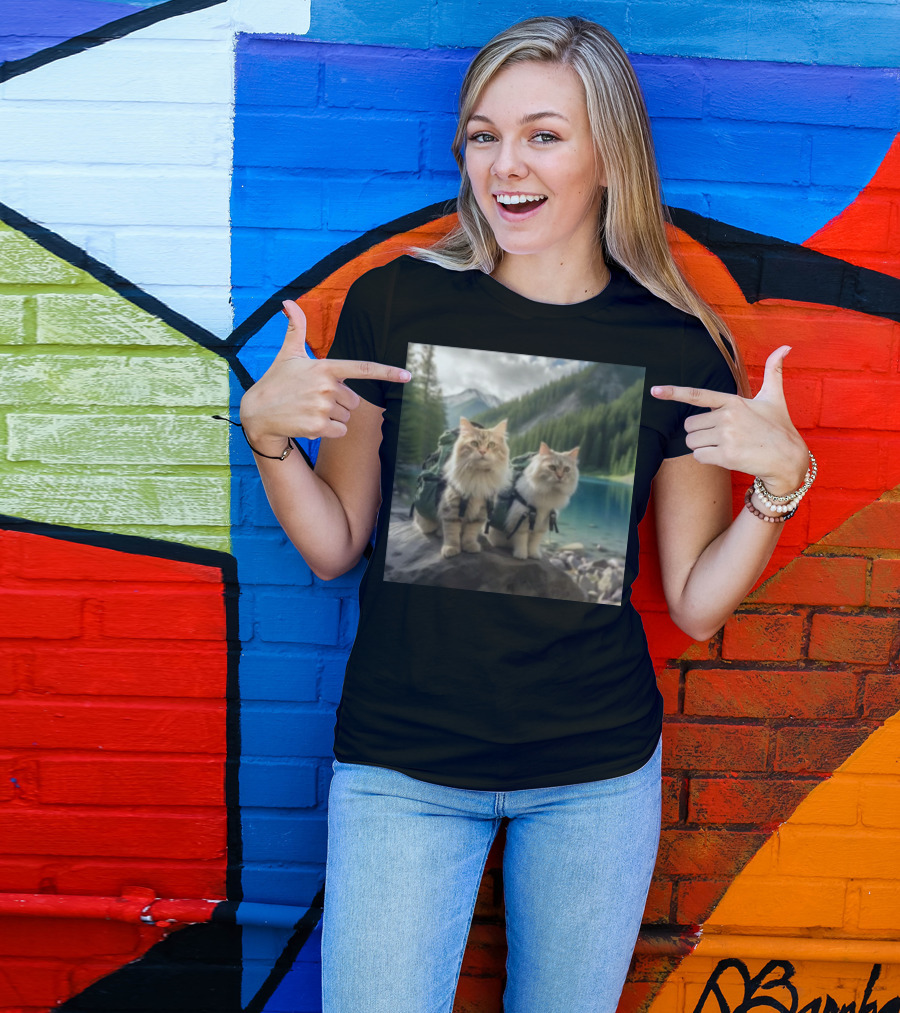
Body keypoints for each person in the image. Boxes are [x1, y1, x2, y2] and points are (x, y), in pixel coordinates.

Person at [239, 15, 813, 1013]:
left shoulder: (674, 344)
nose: (505, 165)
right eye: (482, 134)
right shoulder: (398, 304)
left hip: (593, 775)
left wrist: (780, 484)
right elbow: (334, 546)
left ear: (607, 156)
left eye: (544, 134)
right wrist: (270, 439)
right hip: (402, 765)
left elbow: (698, 603)